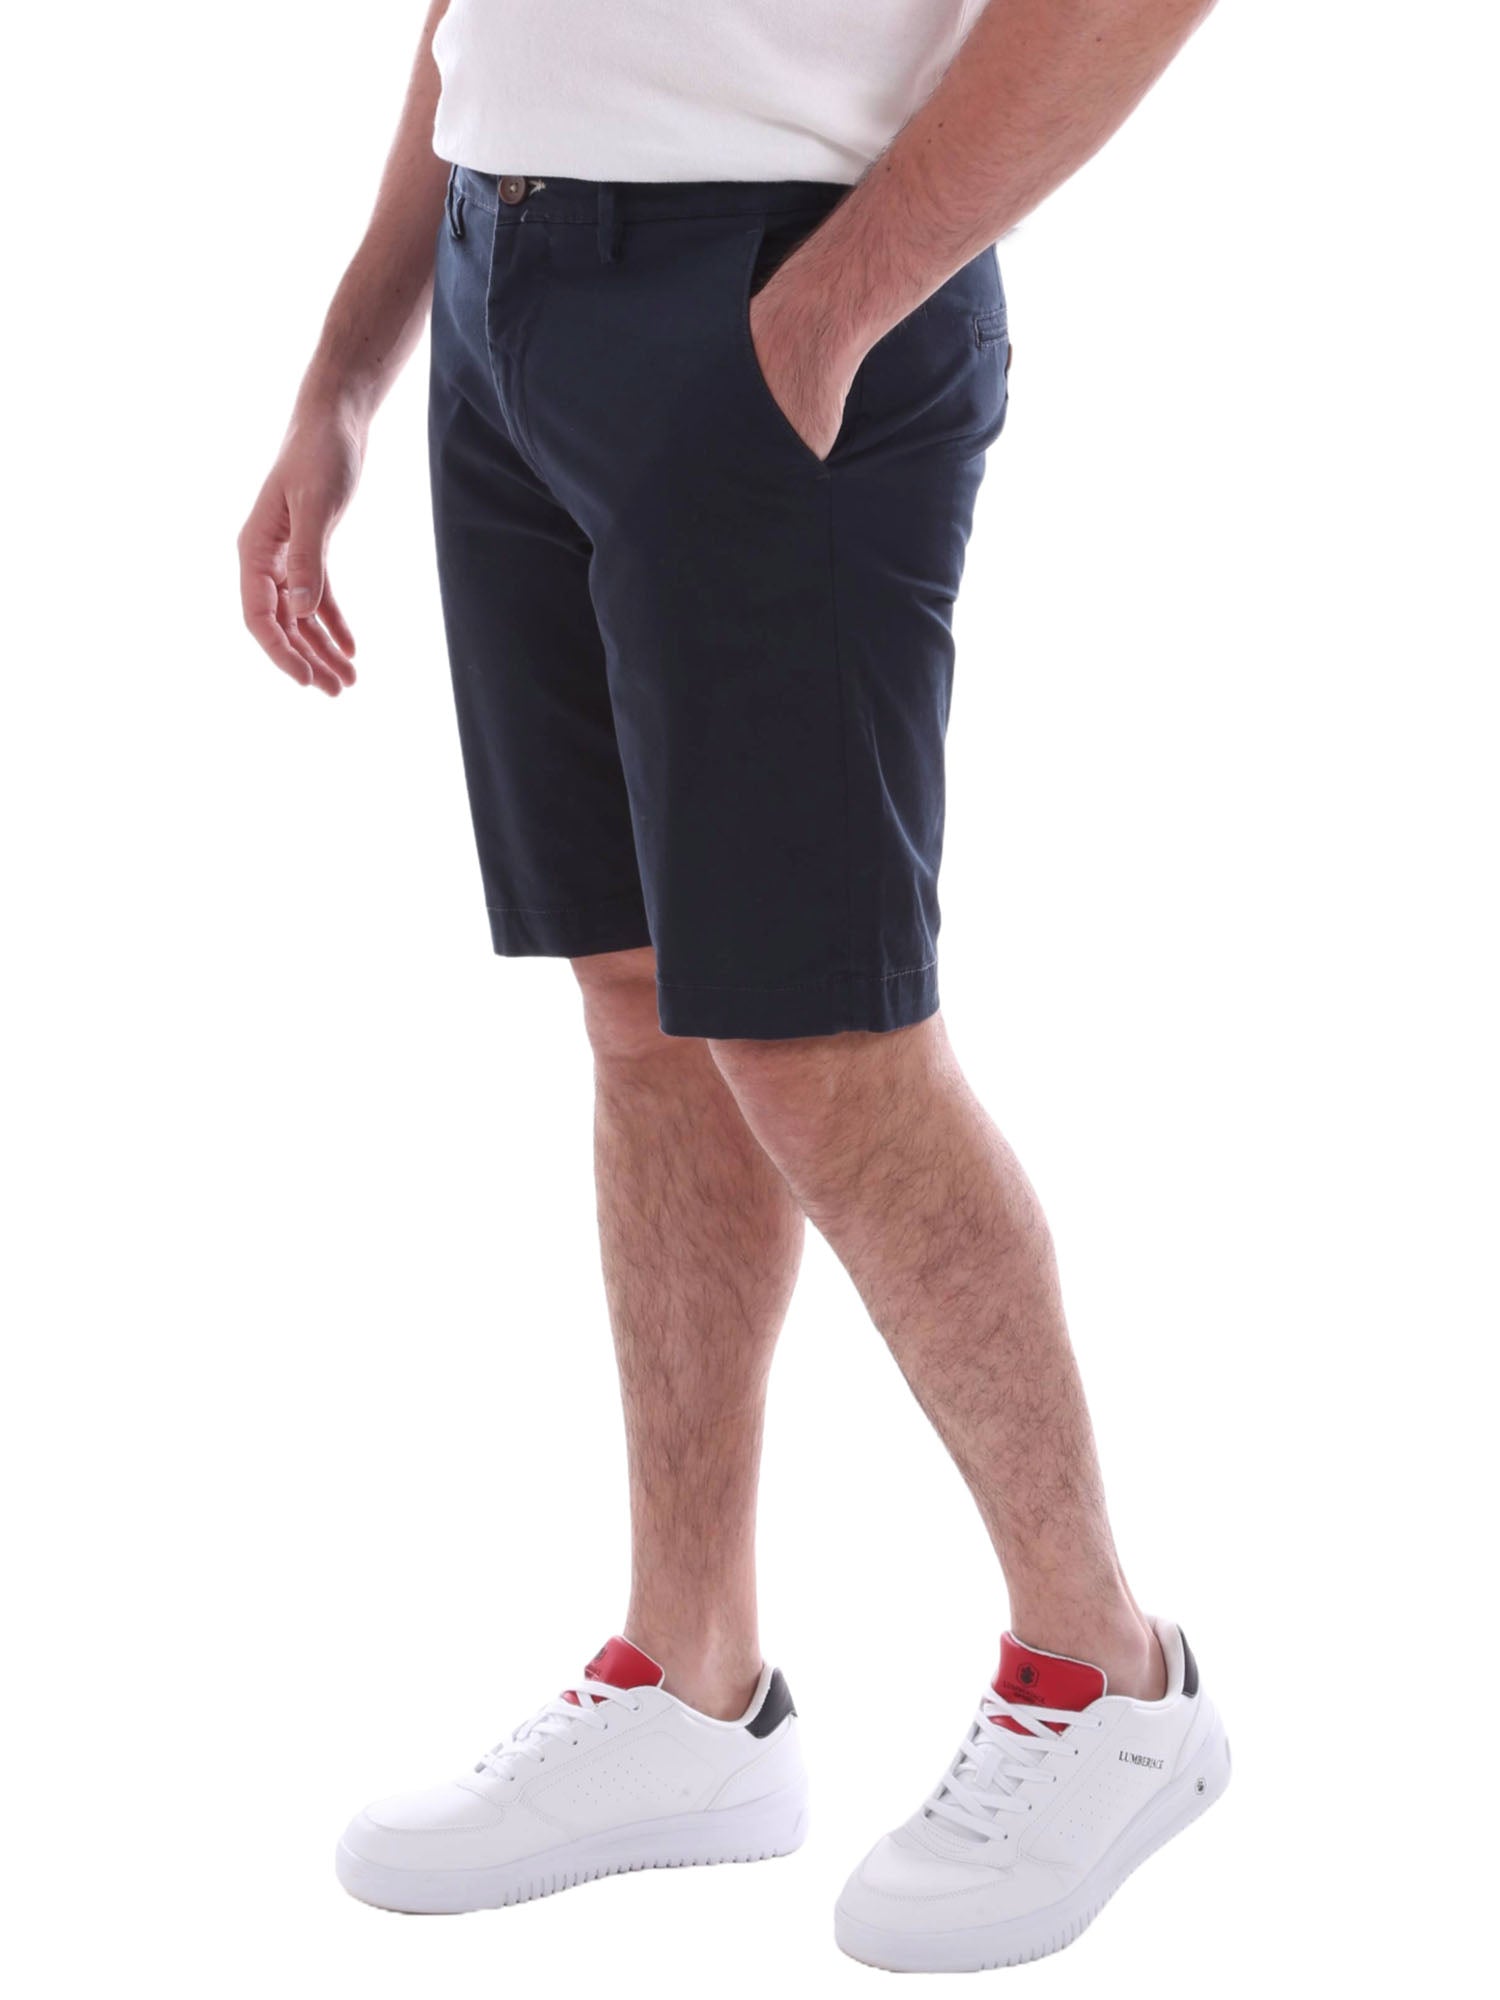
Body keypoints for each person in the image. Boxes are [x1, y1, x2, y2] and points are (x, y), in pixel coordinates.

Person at [239, 0, 1228, 1971]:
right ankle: (692, 1684)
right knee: (639, 1004)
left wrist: (836, 305)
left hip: (778, 289)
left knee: (822, 1039)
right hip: (507, 280)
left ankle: (1108, 1675)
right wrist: (349, 368)